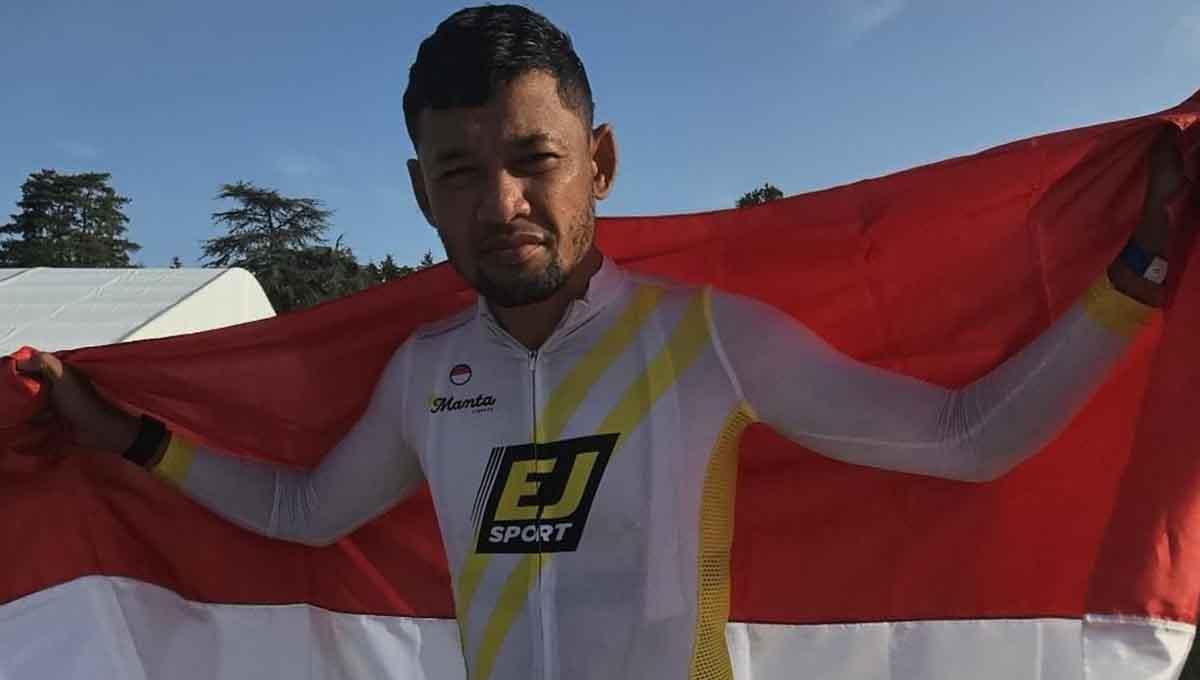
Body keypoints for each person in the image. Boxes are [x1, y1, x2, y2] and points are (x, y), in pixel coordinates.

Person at [16, 5, 1190, 680]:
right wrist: (129, 439)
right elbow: (305, 511)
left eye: (535, 160)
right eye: (462, 172)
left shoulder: (704, 340)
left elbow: (968, 438)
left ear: (601, 164)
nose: (503, 203)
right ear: (422, 194)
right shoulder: (427, 373)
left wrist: (1140, 269)